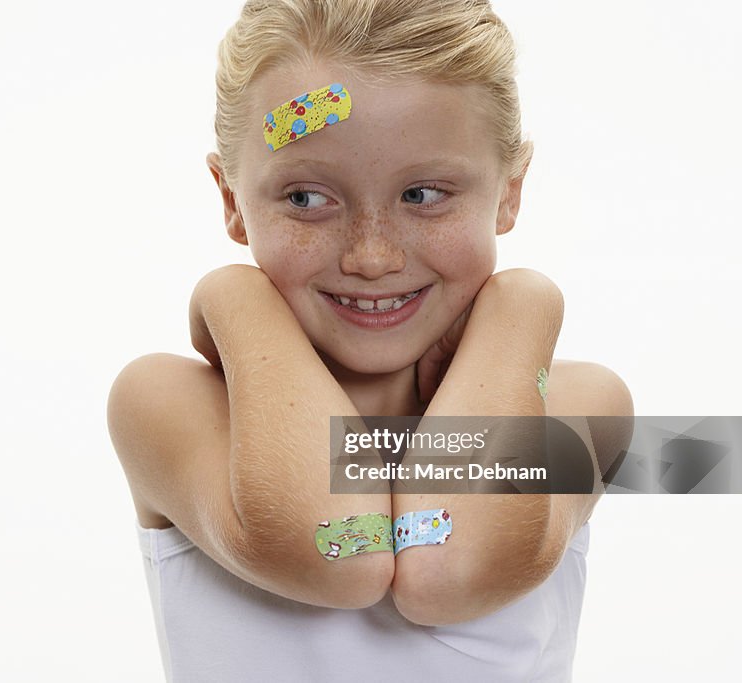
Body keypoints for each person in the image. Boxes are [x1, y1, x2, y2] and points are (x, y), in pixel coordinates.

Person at [108, 0, 633, 680]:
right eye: (304, 197)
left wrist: (523, 305)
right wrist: (233, 294)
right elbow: (343, 556)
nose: (373, 256)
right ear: (233, 200)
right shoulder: (167, 403)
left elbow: (445, 570)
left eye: (423, 194)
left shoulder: (582, 408)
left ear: (510, 191)